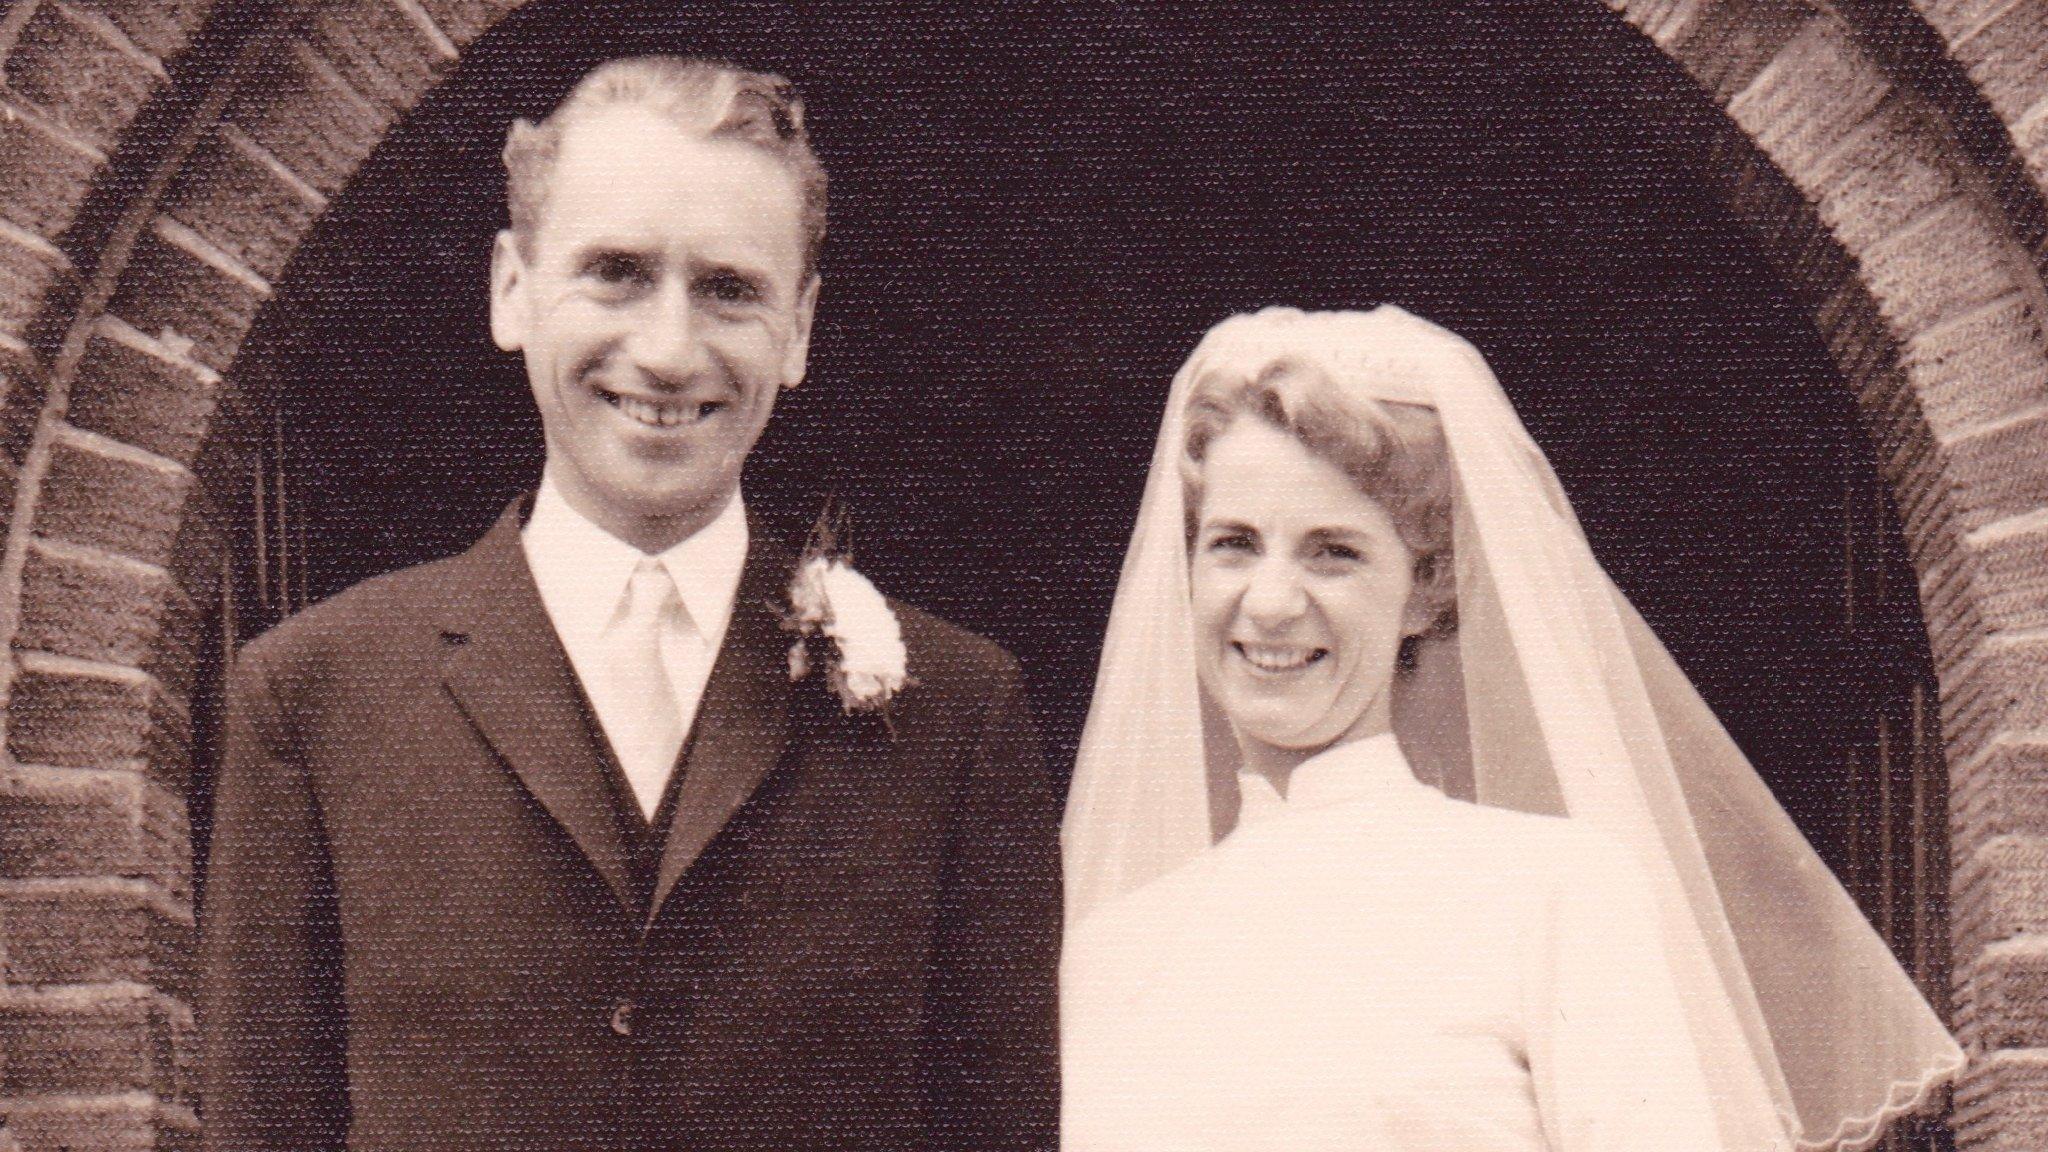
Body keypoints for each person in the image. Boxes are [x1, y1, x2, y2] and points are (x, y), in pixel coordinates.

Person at [201, 56, 1060, 1152]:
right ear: (512, 289)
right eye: (615, 272)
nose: (665, 350)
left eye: (729, 289)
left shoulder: (959, 714)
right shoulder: (313, 697)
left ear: (798, 329)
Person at [1060, 305, 1964, 1151]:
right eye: (1234, 543)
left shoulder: (1556, 891)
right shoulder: (1107, 949)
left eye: (1334, 552)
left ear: (1428, 586)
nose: (1271, 601)